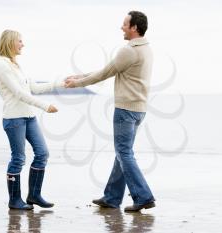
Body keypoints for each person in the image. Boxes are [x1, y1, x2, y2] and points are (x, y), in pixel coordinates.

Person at [65, 11, 155, 212]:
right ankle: (112, 197)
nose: (121, 27)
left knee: (123, 152)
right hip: (139, 110)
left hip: (125, 110)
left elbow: (105, 73)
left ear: (134, 28)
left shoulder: (129, 51)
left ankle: (143, 196)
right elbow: (110, 69)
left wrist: (78, 83)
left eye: (124, 24)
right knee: (123, 153)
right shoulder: (147, 48)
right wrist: (80, 75)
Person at [0, 29, 63, 210]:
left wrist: (60, 83)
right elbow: (19, 93)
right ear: (10, 42)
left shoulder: (16, 64)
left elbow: (33, 87)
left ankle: (34, 195)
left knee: (42, 153)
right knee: (18, 158)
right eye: (20, 41)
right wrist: (45, 106)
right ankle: (14, 201)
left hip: (29, 117)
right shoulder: (2, 65)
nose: (23, 44)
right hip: (14, 118)